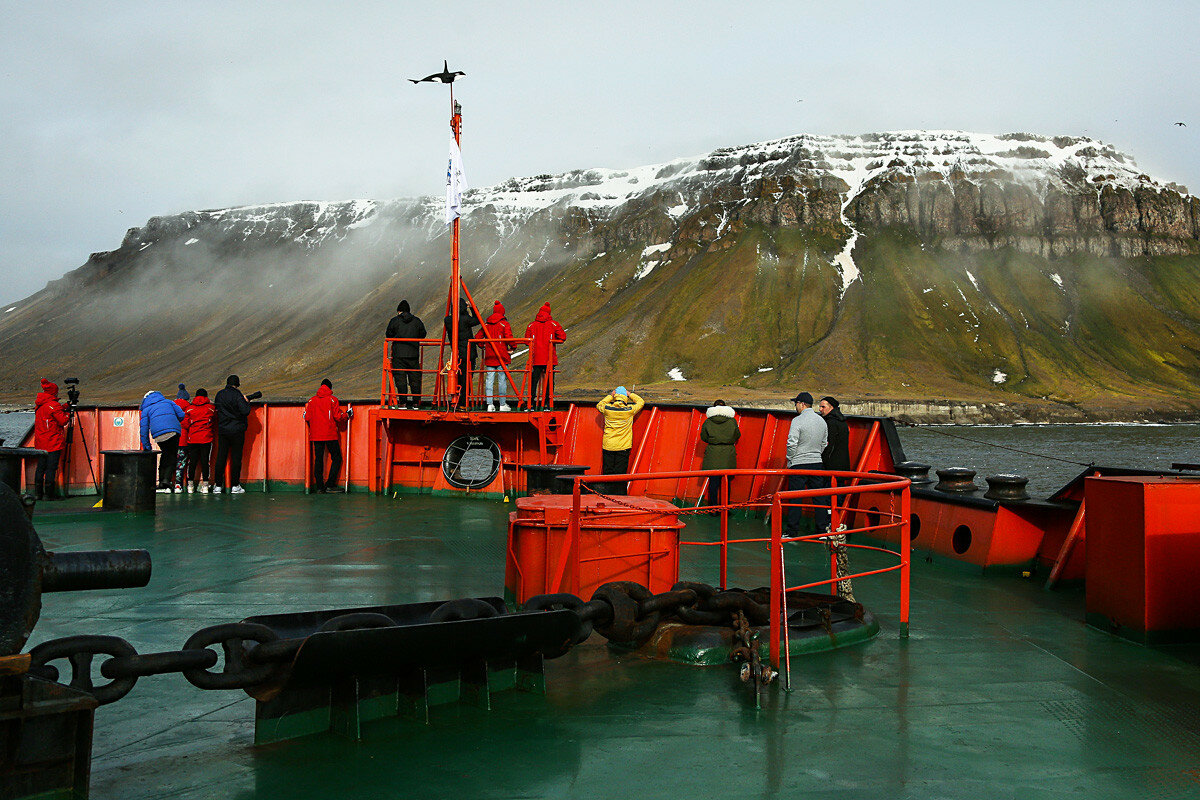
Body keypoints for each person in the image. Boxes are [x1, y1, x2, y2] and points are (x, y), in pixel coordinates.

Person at [818, 395, 855, 600]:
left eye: (822, 406)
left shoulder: (830, 423)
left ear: (831, 407)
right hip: (843, 465)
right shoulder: (843, 422)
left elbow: (828, 445)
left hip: (832, 466)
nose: (820, 409)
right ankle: (836, 526)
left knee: (827, 496)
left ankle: (828, 528)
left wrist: (823, 459)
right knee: (838, 497)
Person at [784, 391, 829, 537]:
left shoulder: (797, 421)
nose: (795, 406)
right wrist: (816, 454)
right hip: (817, 463)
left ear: (802, 404)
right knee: (818, 497)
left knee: (795, 498)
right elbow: (824, 443)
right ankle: (822, 530)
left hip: (799, 463)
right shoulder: (821, 421)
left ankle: (792, 531)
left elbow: (792, 443)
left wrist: (790, 459)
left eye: (796, 403)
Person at [304, 378, 350, 493]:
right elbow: (338, 417)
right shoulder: (333, 400)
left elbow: (307, 417)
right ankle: (330, 484)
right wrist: (347, 415)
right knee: (337, 458)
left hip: (315, 435)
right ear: (330, 388)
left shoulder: (311, 401)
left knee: (318, 460)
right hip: (330, 434)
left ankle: (320, 487)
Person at [597, 387, 645, 494]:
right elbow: (641, 402)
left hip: (608, 446)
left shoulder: (607, 409)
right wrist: (630, 394)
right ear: (625, 398)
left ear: (615, 397)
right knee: (621, 474)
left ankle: (607, 495)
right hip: (623, 447)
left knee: (608, 473)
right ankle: (620, 495)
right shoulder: (629, 410)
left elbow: (599, 404)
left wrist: (610, 395)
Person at [140, 389, 185, 492]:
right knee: (172, 455)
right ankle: (166, 480)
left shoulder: (146, 409)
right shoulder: (168, 402)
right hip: (173, 431)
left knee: (165, 454)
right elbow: (182, 415)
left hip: (159, 435)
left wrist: (147, 447)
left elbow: (144, 429)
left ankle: (161, 482)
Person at [214, 375, 253, 494]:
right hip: (237, 430)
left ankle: (218, 486)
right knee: (236, 458)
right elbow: (245, 411)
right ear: (237, 384)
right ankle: (235, 485)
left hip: (223, 430)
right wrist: (246, 402)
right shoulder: (237, 395)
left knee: (221, 457)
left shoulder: (219, 394)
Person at [385, 300, 426, 409]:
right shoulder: (417, 321)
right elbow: (423, 334)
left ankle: (402, 403)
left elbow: (388, 334)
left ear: (399, 311)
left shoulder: (394, 321)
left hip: (398, 355)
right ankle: (416, 403)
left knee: (400, 378)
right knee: (415, 379)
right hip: (413, 353)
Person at [524, 302, 566, 410]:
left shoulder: (531, 325)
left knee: (533, 381)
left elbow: (526, 340)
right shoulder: (553, 324)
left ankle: (531, 404)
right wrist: (554, 340)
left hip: (535, 358)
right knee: (549, 382)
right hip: (549, 358)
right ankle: (547, 404)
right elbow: (563, 336)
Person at [33, 378, 69, 500]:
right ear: (54, 392)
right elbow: (63, 420)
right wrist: (68, 412)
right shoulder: (53, 405)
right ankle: (48, 495)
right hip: (52, 442)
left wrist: (63, 407)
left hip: (40, 441)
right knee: (51, 468)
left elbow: (51, 414)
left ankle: (38, 493)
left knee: (40, 467)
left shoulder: (40, 404)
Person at [700, 399, 740, 506]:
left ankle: (713, 508)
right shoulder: (732, 421)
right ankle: (725, 507)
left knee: (713, 483)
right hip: (728, 453)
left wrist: (713, 442)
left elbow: (703, 437)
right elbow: (737, 435)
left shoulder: (708, 421)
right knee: (726, 483)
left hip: (713, 452)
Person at [443, 297, 479, 408]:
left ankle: (455, 400)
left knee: (457, 377)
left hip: (456, 353)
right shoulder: (466, 319)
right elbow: (477, 320)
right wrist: (472, 308)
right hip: (468, 352)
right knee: (467, 378)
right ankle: (463, 402)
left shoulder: (448, 320)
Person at [481, 300, 515, 411]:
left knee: (489, 380)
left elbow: (478, 337)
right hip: (502, 356)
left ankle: (489, 405)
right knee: (502, 380)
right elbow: (509, 338)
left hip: (490, 356)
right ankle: (502, 404)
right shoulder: (504, 323)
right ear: (502, 312)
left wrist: (483, 345)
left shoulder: (486, 324)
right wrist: (512, 348)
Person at [182, 388, 215, 493]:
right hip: (206, 438)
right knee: (205, 462)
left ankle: (190, 485)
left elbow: (185, 424)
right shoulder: (210, 408)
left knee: (192, 462)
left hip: (193, 438)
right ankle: (205, 485)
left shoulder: (189, 409)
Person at [174, 384, 190, 491]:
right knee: (180, 463)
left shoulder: (171, 408)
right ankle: (178, 485)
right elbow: (187, 424)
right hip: (183, 440)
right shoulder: (188, 409)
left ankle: (167, 484)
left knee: (169, 462)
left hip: (171, 440)